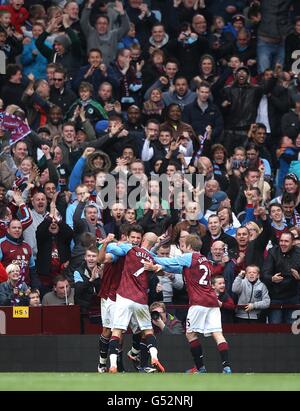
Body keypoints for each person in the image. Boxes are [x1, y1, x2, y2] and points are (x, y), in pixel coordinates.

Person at [149, 234, 232, 374]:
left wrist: (150, 257)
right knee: (218, 334)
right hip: (212, 301)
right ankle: (226, 367)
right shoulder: (205, 261)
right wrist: (159, 268)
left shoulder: (189, 257)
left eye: (183, 246)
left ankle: (200, 368)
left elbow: (170, 262)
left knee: (191, 334)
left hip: (198, 302)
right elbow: (178, 269)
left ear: (188, 246)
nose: (182, 248)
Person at [105, 231, 165, 373]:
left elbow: (111, 249)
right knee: (148, 331)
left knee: (117, 331)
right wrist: (156, 267)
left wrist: (116, 242)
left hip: (124, 296)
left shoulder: (131, 249)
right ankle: (154, 357)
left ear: (142, 239)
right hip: (141, 300)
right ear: (153, 244)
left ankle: (113, 364)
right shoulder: (152, 258)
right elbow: (163, 268)